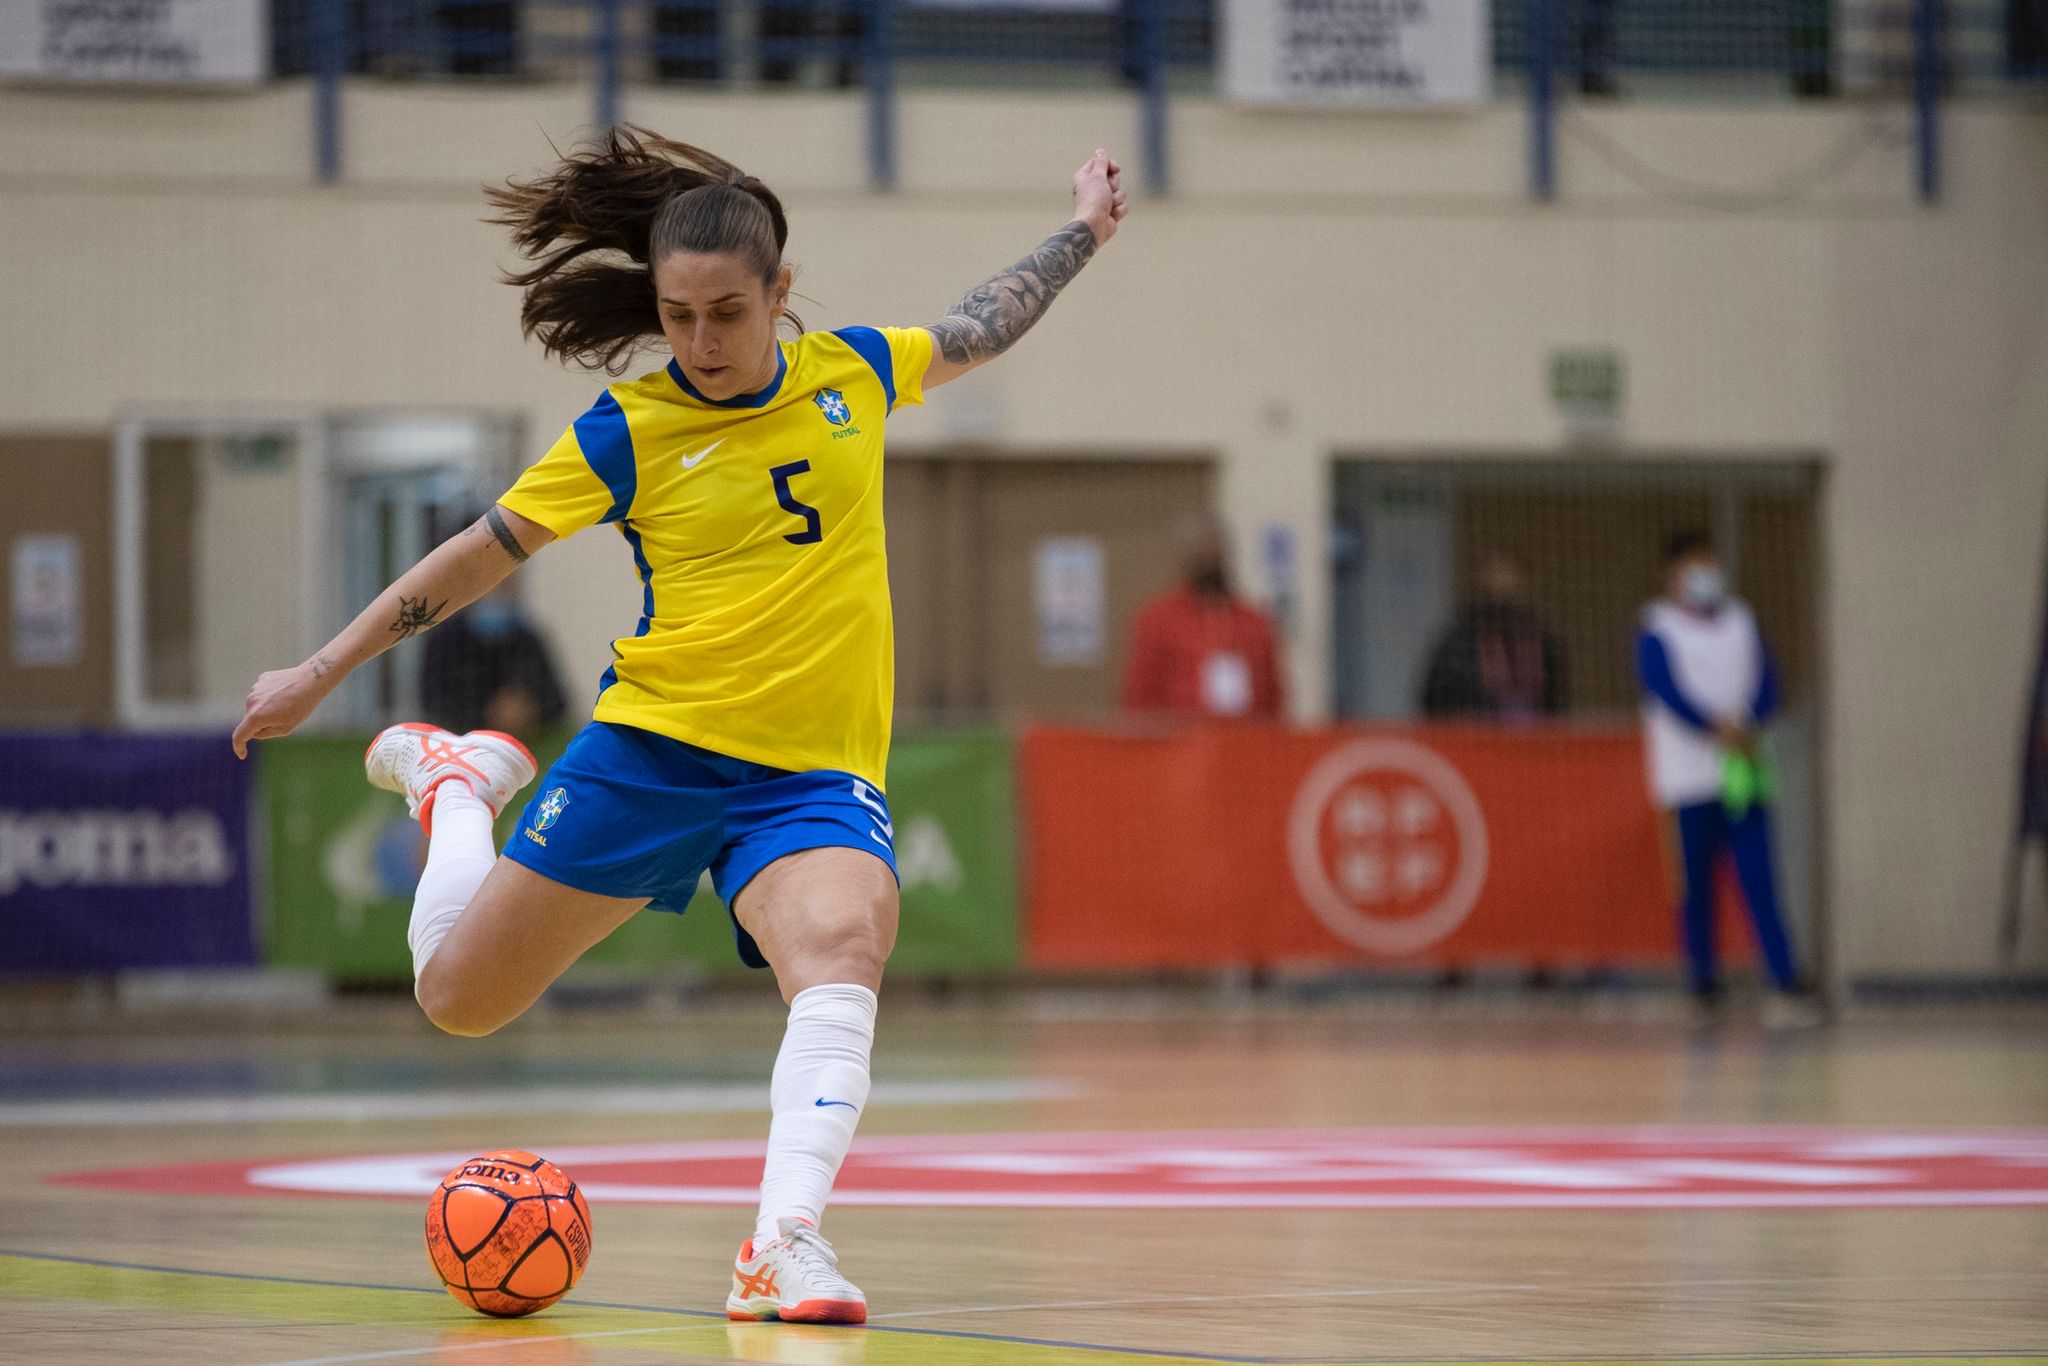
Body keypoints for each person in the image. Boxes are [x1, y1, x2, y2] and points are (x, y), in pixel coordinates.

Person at [232, 126, 1128, 1323]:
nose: (700, 341)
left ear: (779, 296)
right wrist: (324, 667)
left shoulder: (855, 373)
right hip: (653, 749)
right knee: (457, 999)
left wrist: (1081, 229)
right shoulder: (628, 426)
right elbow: (480, 553)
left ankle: (781, 1242)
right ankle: (453, 787)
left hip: (805, 774)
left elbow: (986, 320)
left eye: (725, 312)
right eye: (677, 314)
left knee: (845, 948)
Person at [1636, 531, 1809, 1016]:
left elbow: (1769, 680)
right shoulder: (1656, 627)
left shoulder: (1741, 622)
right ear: (1672, 574)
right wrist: (1712, 724)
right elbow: (1663, 689)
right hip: (1685, 779)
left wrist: (1746, 722)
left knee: (1758, 874)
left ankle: (1783, 976)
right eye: (1694, 567)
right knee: (1694, 883)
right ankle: (1703, 981)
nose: (1704, 577)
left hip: (1741, 769)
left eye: (1710, 566)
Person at [1121, 516, 1286, 722]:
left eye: (1215, 551)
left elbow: (1273, 692)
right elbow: (1141, 694)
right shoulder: (1158, 620)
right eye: (1200, 553)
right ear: (1186, 558)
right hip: (1180, 743)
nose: (1209, 558)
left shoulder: (1255, 621)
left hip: (1245, 740)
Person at [1418, 552, 1567, 722]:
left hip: (1534, 738)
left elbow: (1557, 696)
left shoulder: (1540, 637)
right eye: (1496, 574)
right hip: (1477, 737)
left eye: (1507, 573)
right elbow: (1435, 696)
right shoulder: (1460, 640)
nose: (1502, 582)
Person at [419, 577, 569, 736]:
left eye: (505, 584)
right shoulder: (446, 640)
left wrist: (529, 710)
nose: (496, 592)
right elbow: (434, 700)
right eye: (492, 584)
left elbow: (555, 699)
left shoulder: (527, 637)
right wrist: (488, 715)